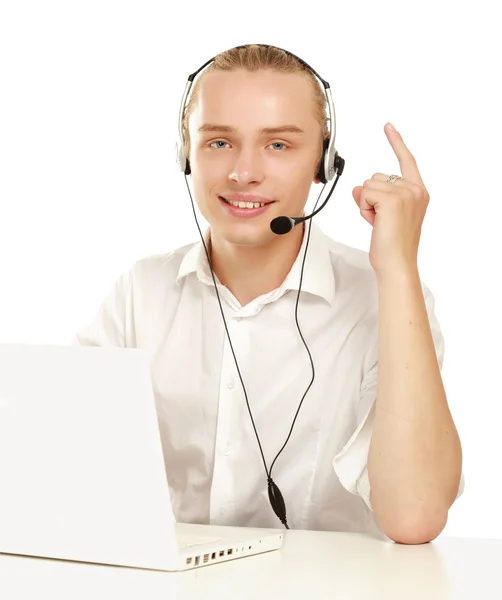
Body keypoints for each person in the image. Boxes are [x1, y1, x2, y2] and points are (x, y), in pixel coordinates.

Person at [75, 43, 464, 544]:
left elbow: (414, 517)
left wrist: (400, 270)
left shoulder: (385, 300)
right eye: (218, 142)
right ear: (185, 156)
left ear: (324, 163)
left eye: (278, 145)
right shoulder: (141, 293)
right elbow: (69, 470)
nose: (243, 173)